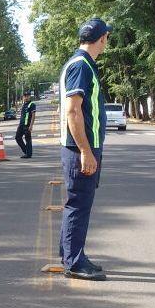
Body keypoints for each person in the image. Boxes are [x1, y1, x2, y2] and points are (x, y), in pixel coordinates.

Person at [59, 17, 111, 281]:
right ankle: (74, 262)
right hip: (80, 149)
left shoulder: (81, 63)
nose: (106, 43)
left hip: (81, 147)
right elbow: (73, 110)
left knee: (78, 204)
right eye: (107, 38)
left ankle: (72, 253)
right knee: (79, 204)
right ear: (102, 38)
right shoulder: (81, 65)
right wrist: (85, 151)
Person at [15, 91, 36, 158]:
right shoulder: (24, 104)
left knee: (28, 139)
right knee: (17, 138)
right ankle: (26, 151)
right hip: (21, 125)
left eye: (27, 96)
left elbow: (33, 115)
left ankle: (28, 154)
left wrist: (31, 125)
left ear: (30, 96)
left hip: (27, 125)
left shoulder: (32, 104)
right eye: (25, 96)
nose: (26, 97)